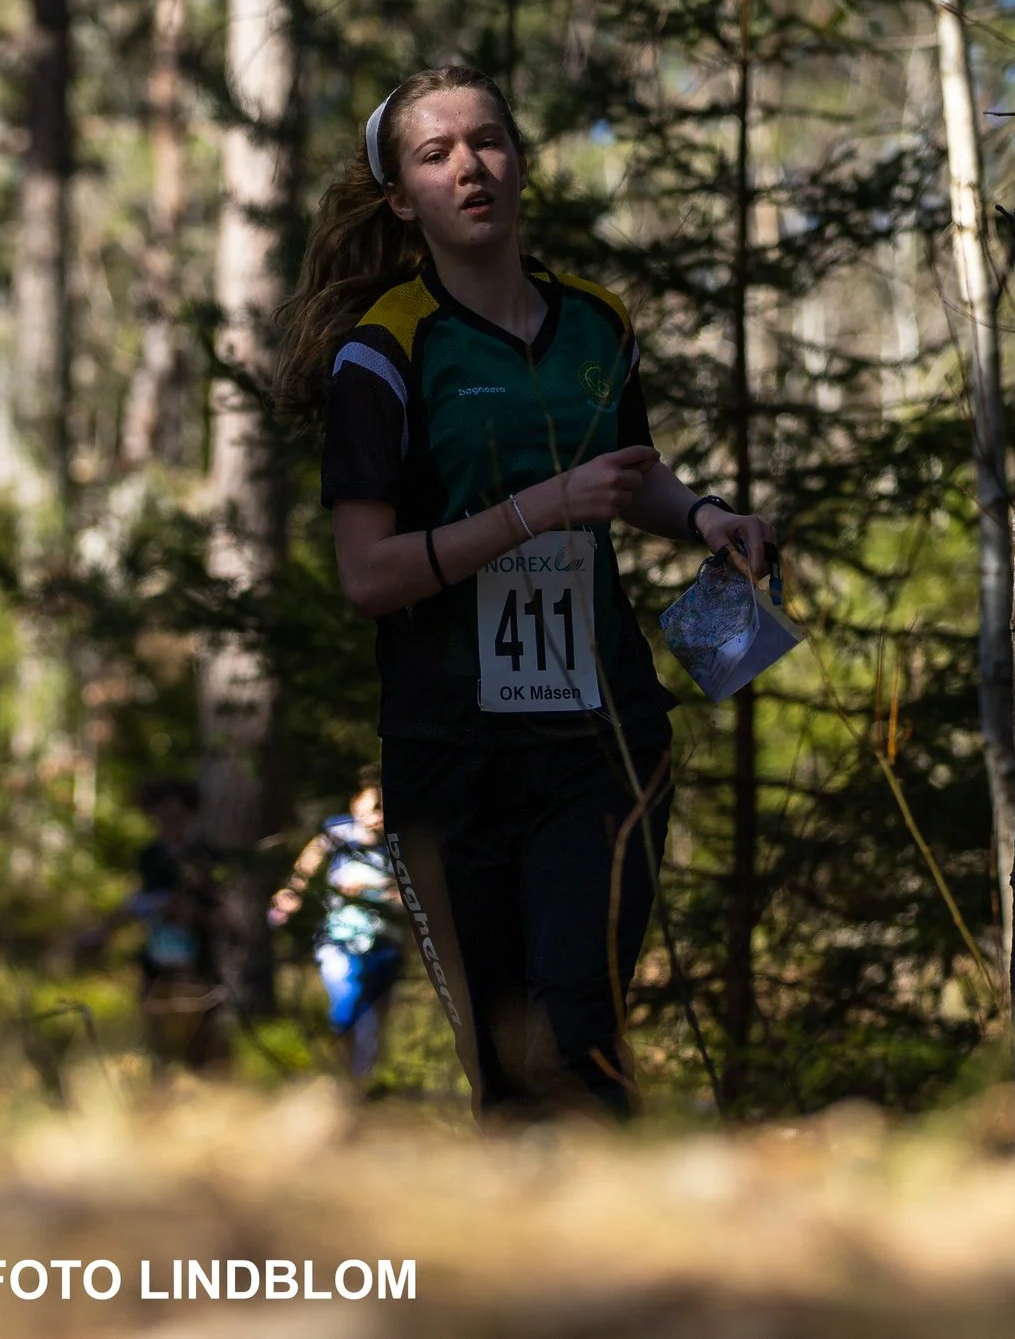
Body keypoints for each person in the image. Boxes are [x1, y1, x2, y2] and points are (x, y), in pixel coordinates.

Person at [277, 65, 773, 1124]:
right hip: (448, 745)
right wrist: (539, 507)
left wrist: (703, 516)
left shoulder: (597, 322)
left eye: (489, 141)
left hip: (600, 734)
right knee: (506, 1065)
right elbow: (367, 574)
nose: (470, 167)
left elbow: (631, 473)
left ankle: (613, 1223)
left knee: (580, 1027)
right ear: (400, 197)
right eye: (436, 153)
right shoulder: (384, 351)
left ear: (521, 161)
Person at [82, 779, 226, 1069]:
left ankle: (206, 1076)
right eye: (163, 816)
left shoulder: (206, 856)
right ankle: (160, 1075)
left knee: (201, 1027)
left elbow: (223, 909)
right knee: (156, 1020)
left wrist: (193, 913)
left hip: (199, 956)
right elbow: (140, 899)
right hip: (158, 953)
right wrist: (106, 930)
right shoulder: (150, 856)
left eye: (177, 816)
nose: (170, 823)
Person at [269, 771, 403, 1082]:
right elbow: (310, 859)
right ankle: (344, 1077)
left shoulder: (401, 843)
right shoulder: (338, 833)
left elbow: (412, 896)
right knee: (346, 1005)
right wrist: (293, 891)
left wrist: (374, 889)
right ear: (355, 804)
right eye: (373, 807)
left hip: (385, 942)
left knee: (376, 1015)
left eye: (385, 808)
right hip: (340, 938)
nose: (378, 816)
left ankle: (363, 1082)